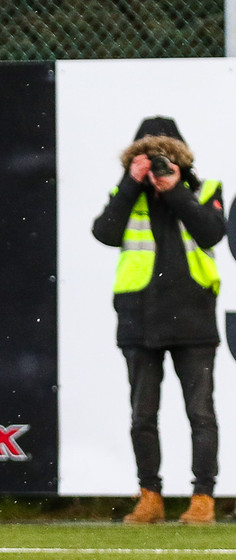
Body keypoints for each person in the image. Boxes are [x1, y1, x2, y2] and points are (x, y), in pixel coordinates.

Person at [92, 116, 225, 525]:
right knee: (142, 416)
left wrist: (175, 189)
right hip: (139, 319)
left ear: (182, 159)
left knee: (200, 413)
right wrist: (131, 182)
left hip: (193, 319)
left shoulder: (204, 190)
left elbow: (211, 233)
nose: (157, 166)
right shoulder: (126, 193)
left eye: (165, 157)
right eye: (148, 158)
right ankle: (149, 496)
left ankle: (203, 498)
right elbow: (105, 233)